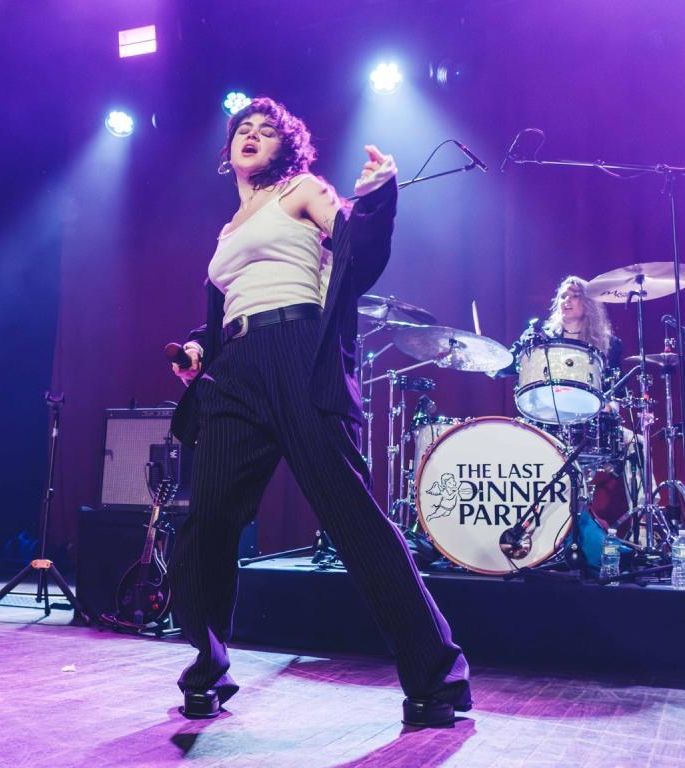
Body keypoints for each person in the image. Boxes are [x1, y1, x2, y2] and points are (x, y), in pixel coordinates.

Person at [168, 97, 470, 727]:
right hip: (237, 371)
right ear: (228, 153)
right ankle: (208, 666)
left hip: (298, 353)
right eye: (241, 131)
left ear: (286, 147)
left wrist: (378, 194)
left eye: (264, 131)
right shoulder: (228, 230)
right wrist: (202, 346)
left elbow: (355, 248)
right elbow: (226, 312)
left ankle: (436, 677)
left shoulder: (301, 191)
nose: (250, 137)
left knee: (351, 515)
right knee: (207, 521)